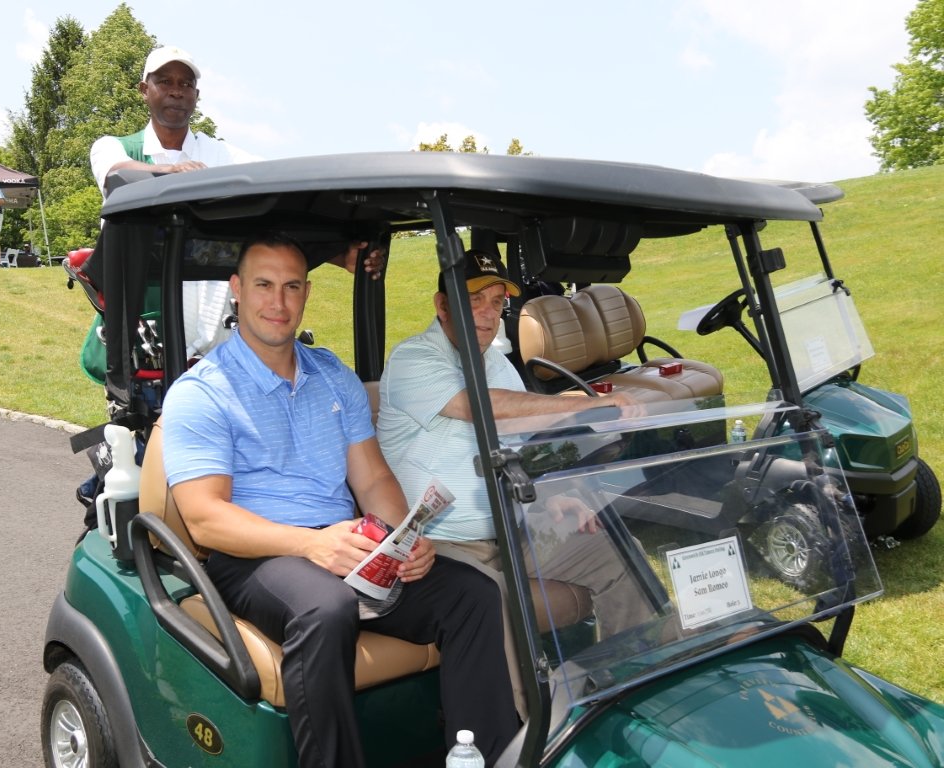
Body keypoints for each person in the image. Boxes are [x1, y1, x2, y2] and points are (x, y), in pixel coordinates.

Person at [161, 233, 518, 768]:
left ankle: (484, 759)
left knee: (472, 594)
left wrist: (404, 540)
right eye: (263, 285)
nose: (278, 302)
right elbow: (206, 518)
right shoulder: (203, 391)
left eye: (291, 287)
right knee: (325, 608)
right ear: (237, 289)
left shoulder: (332, 376)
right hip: (254, 554)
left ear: (306, 293)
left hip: (342, 544)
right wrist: (310, 545)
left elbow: (372, 479)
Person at [376, 248, 655, 717]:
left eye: (496, 302)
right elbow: (481, 407)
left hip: (511, 532)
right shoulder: (414, 359)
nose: (488, 314)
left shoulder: (499, 364)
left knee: (620, 553)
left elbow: (521, 443)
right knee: (488, 603)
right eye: (473, 301)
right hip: (441, 544)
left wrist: (551, 498)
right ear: (442, 306)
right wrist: (585, 403)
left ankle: (632, 688)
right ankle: (526, 736)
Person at [87, 44, 382, 364]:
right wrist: (172, 173)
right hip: (143, 354)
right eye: (165, 81)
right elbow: (116, 176)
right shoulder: (113, 147)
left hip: (218, 354)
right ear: (145, 90)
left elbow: (278, 193)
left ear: (196, 96)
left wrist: (338, 251)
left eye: (186, 84)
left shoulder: (221, 155)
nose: (176, 91)